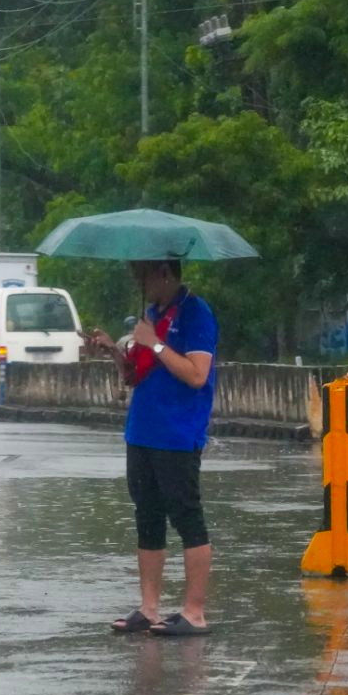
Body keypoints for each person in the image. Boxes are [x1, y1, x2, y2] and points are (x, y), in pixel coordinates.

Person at [81, 259, 218, 637]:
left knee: (187, 517)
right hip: (142, 430)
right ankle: (149, 607)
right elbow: (133, 376)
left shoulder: (195, 313)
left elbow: (196, 374)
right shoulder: (151, 314)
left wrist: (155, 342)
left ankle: (194, 612)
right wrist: (112, 349)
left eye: (141, 275)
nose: (137, 282)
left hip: (177, 432)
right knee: (148, 516)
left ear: (163, 272)